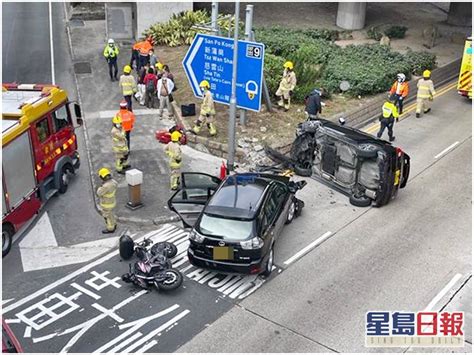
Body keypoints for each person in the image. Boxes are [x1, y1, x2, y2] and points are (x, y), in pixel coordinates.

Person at [97, 168, 118, 234]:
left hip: (106, 204)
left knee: (107, 217)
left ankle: (110, 228)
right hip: (112, 202)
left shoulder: (105, 186)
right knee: (111, 214)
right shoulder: (113, 182)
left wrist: (101, 186)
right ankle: (114, 223)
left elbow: (99, 193)